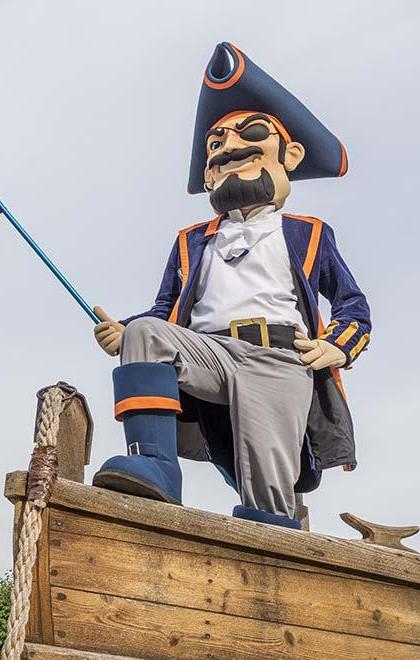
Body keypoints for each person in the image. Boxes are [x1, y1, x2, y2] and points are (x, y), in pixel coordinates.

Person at [91, 42, 371, 530]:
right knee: (144, 337)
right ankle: (155, 467)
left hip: (279, 359)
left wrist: (336, 347)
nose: (229, 148)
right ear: (208, 173)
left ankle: (273, 559)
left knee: (265, 499)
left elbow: (352, 304)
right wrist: (126, 329)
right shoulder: (190, 241)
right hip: (210, 352)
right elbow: (164, 310)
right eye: (216, 144)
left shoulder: (308, 234)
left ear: (291, 155)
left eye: (251, 134)